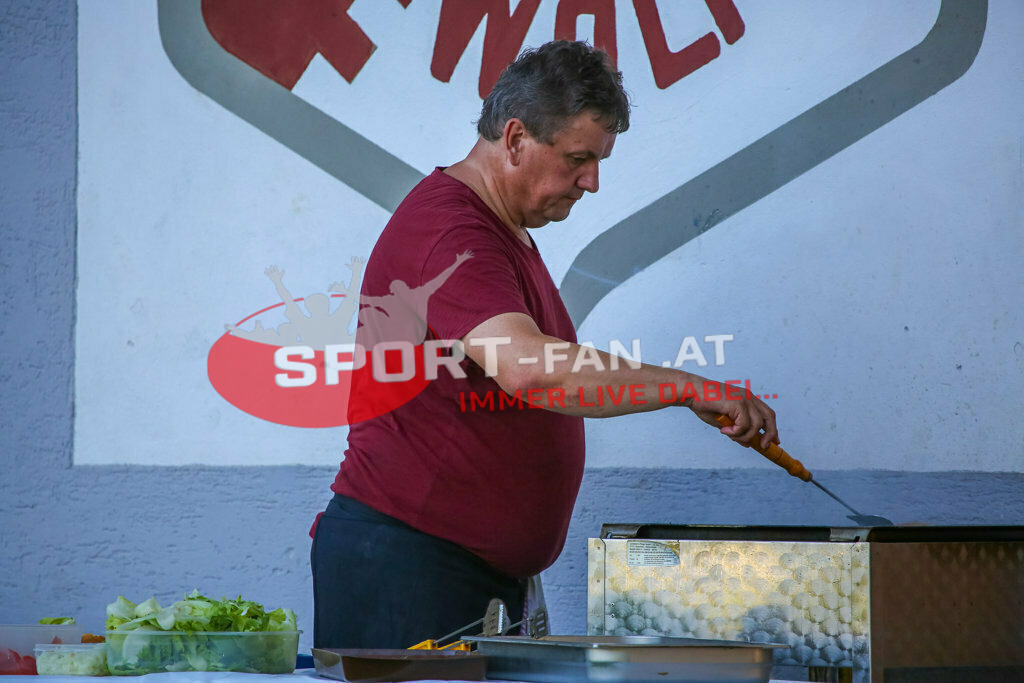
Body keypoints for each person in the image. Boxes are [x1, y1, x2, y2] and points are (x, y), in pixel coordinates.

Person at [310, 40, 779, 649]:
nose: (593, 181)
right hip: (408, 566)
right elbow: (532, 371)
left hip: (462, 569)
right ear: (514, 139)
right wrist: (687, 385)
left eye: (600, 159)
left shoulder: (501, 228)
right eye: (579, 158)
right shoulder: (451, 231)